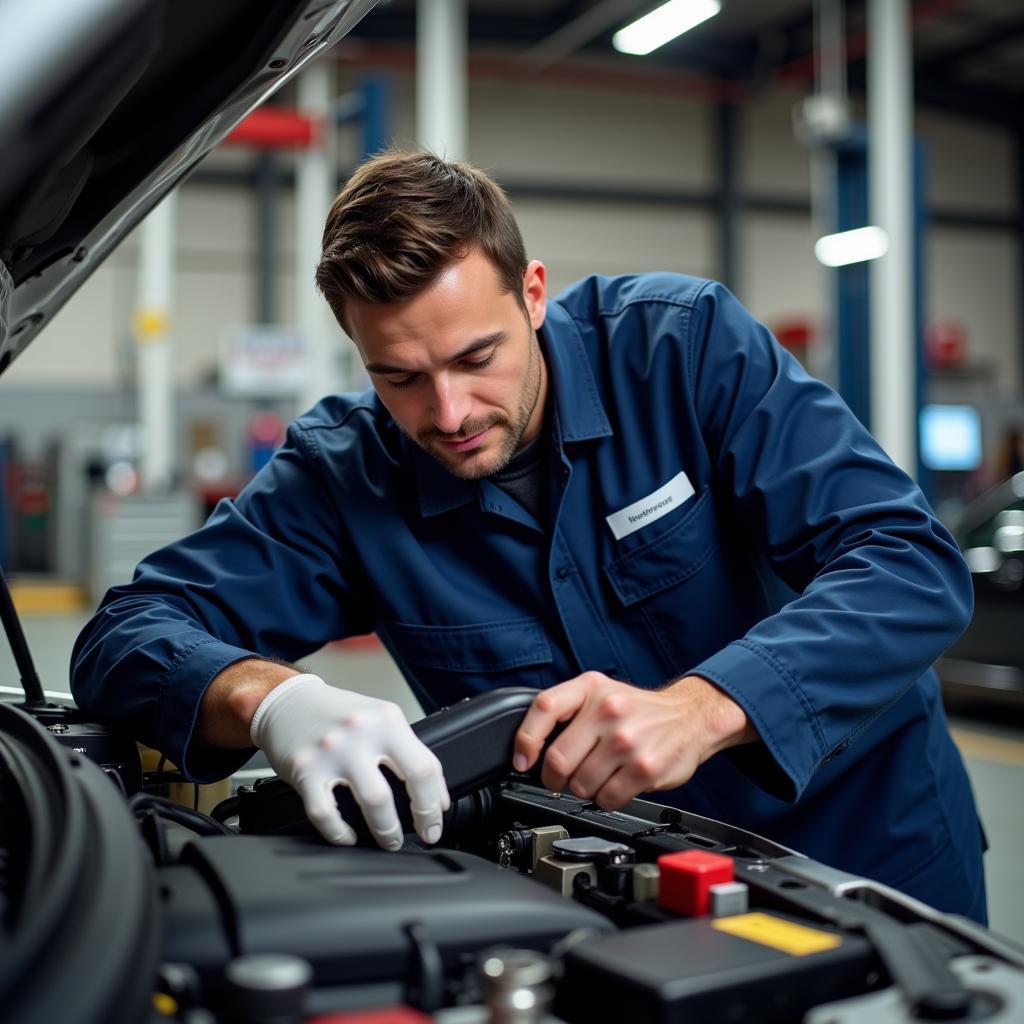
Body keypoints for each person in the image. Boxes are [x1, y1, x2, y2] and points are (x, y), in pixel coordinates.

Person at [71, 150, 986, 922]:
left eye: (477, 358)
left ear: (533, 293)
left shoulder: (684, 349)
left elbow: (908, 563)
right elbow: (127, 631)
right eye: (400, 378)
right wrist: (271, 701)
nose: (451, 412)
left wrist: (704, 707)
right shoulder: (346, 476)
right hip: (609, 892)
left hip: (868, 852)